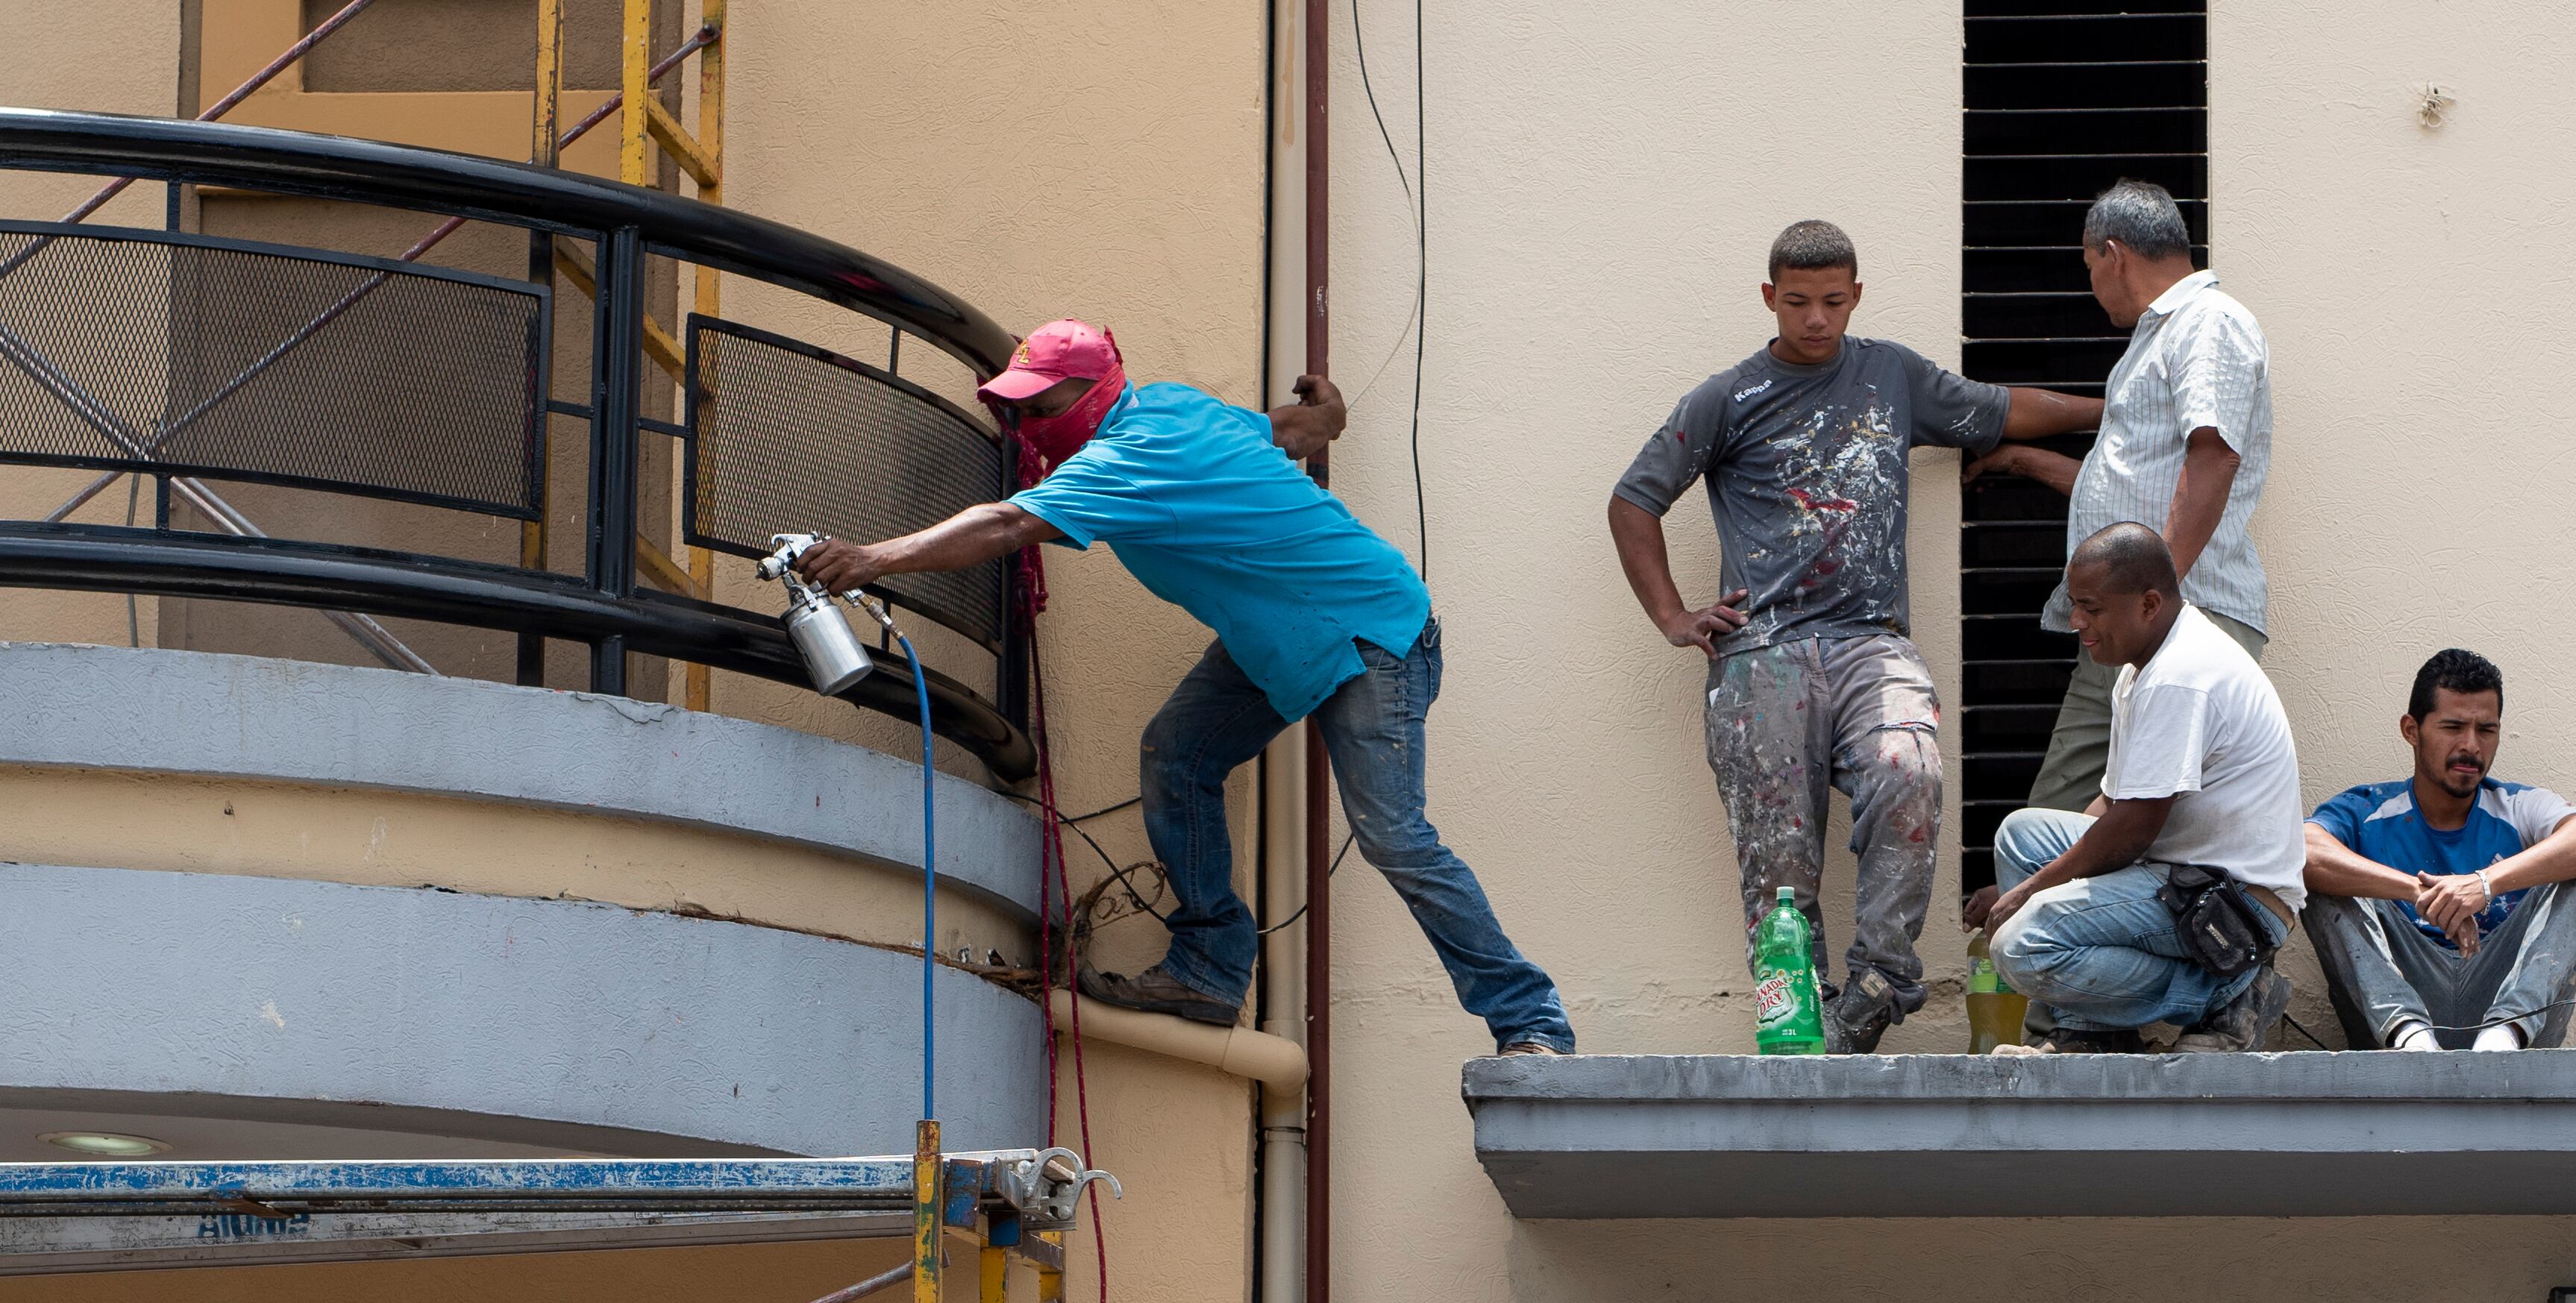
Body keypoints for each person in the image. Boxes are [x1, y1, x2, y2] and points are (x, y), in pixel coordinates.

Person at [795, 317, 1571, 1055]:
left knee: (1395, 838)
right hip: (1283, 638)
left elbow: (1004, 526)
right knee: (1178, 756)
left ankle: (1531, 1020)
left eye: (1043, 405)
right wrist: (1325, 417)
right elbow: (1292, 432)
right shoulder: (1172, 405)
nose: (1030, 426)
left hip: (1371, 631)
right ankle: (1207, 970)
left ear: (1092, 392)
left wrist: (872, 559)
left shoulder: (1132, 453)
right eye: (1019, 410)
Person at [1607, 221, 2103, 1052]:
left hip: (1870, 641)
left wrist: (2120, 404)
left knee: (1909, 769)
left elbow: (2003, 406)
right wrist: (1672, 615)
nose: (1815, 319)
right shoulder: (1726, 398)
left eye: (1832, 301)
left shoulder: (1890, 375)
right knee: (1779, 857)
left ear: (1855, 296)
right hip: (1761, 652)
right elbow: (1634, 499)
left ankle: (1880, 980)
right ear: (1769, 298)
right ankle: (1796, 1022)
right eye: (1797, 302)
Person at [1983, 185, 2275, 813]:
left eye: (2089, 268)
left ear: (2113, 254)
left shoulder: (2208, 321)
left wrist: (2158, 602)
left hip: (2180, 616)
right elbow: (2125, 485)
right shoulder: (2156, 340)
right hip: (2131, 623)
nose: (2092, 286)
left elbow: (2214, 453)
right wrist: (2023, 460)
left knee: (2151, 834)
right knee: (2051, 824)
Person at [1966, 524, 2304, 1052]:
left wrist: (2029, 892)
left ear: (2148, 604)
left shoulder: (2179, 675)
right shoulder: (2143, 667)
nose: (2076, 622)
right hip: (2182, 876)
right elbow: (2113, 804)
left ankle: (2225, 995)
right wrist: (2029, 877)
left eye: (2091, 608)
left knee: (2020, 945)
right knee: (2019, 837)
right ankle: (2095, 1033)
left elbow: (2132, 831)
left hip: (2236, 906)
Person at [2304, 650, 2576, 1055]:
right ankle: (2409, 1036)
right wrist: (2419, 894)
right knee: (2321, 877)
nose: (2471, 746)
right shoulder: (2367, 809)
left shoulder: (2515, 805)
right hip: (2394, 1022)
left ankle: (2505, 1036)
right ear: (2411, 730)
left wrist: (2482, 885)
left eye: (2486, 730)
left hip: (2506, 1013)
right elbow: (2304, 851)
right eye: (2453, 727)